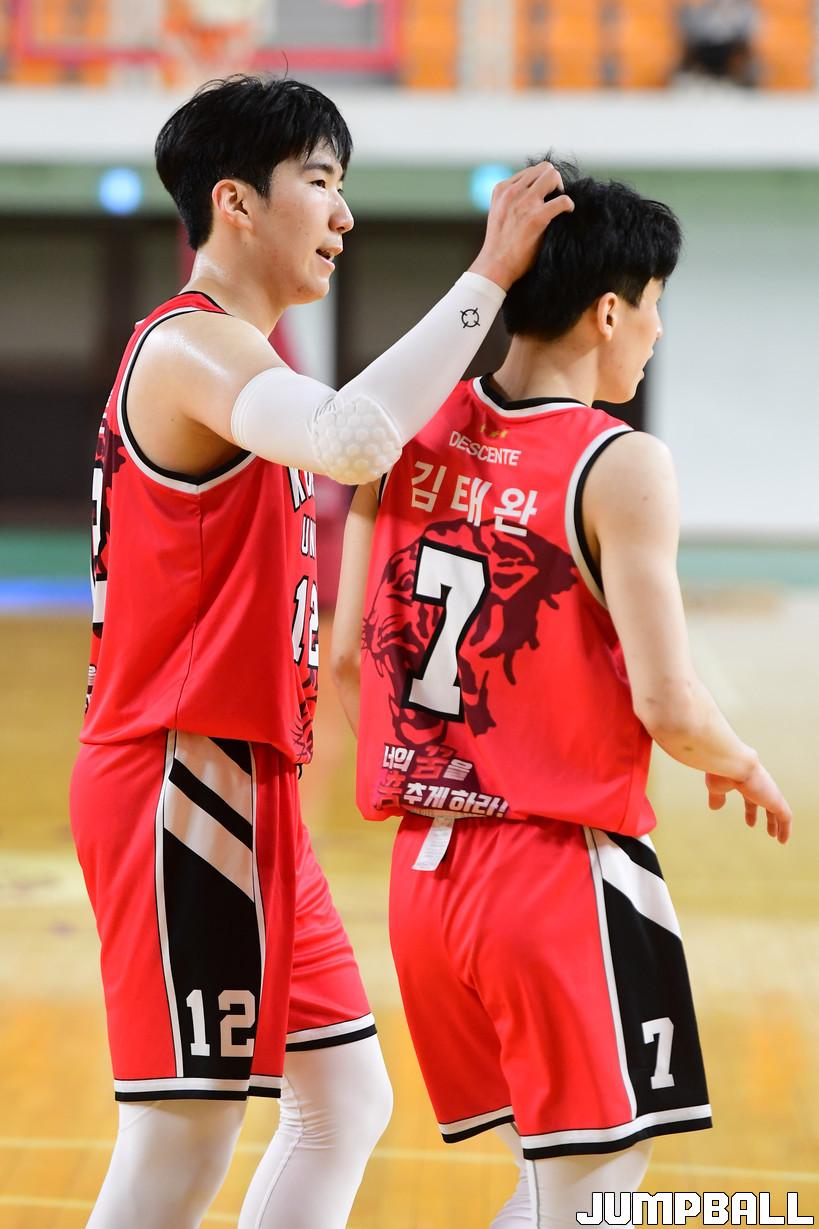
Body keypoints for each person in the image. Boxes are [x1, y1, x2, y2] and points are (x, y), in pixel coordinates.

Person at [68, 73, 571, 1228]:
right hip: (182, 778)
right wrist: (488, 279)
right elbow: (350, 438)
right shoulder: (192, 347)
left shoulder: (247, 360)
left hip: (250, 778)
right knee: (179, 1141)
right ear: (236, 201)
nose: (344, 213)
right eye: (321, 180)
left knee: (344, 1099)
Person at [331, 165, 792, 1229]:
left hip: (424, 882)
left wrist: (450, 773)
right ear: (609, 310)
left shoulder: (402, 428)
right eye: (656, 305)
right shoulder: (618, 463)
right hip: (552, 875)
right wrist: (740, 760)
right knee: (593, 1193)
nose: (657, 333)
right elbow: (669, 702)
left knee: (555, 1186)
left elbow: (350, 659)